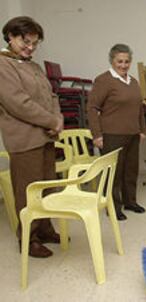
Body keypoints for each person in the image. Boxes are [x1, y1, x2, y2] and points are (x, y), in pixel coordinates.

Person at [0, 16, 64, 258]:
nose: (30, 47)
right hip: (24, 140)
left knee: (46, 188)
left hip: (46, 137)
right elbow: (19, 103)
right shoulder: (3, 65)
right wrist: (50, 121)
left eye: (35, 43)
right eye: (26, 42)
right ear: (10, 37)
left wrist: (57, 120)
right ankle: (29, 239)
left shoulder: (32, 66)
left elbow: (52, 96)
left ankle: (46, 229)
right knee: (27, 191)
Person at [87, 44, 146, 221]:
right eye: (119, 61)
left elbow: (139, 108)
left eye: (127, 61)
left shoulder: (133, 81)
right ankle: (113, 206)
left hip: (133, 134)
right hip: (111, 135)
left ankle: (130, 202)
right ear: (112, 61)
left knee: (130, 170)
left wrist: (142, 130)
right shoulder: (103, 80)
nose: (123, 65)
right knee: (114, 173)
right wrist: (97, 135)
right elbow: (91, 108)